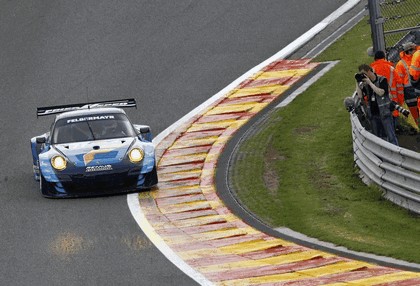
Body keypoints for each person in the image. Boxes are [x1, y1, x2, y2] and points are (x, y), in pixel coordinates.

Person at [355, 64, 399, 146]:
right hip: (373, 115)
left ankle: (397, 155)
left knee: (391, 136)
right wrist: (357, 83)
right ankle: (383, 156)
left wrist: (370, 83)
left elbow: (381, 92)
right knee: (378, 138)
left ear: (369, 71)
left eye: (364, 73)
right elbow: (360, 96)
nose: (363, 76)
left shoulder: (382, 79)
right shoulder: (365, 84)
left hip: (384, 113)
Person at [370, 50, 400, 127]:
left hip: (379, 102)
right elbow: (399, 83)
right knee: (393, 117)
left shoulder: (372, 70)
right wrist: (400, 99)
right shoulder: (391, 68)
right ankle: (395, 129)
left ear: (375, 59)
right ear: (384, 57)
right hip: (393, 99)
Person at [395, 42, 418, 122]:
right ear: (409, 51)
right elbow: (399, 82)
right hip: (410, 92)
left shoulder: (401, 64)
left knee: (415, 113)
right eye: (414, 49)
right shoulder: (401, 64)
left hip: (410, 92)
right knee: (415, 113)